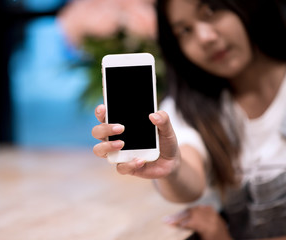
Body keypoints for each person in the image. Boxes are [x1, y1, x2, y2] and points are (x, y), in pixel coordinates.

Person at [91, 0, 286, 239]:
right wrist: (170, 169)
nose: (205, 37)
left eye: (211, 12)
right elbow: (189, 175)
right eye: (184, 31)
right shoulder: (184, 109)